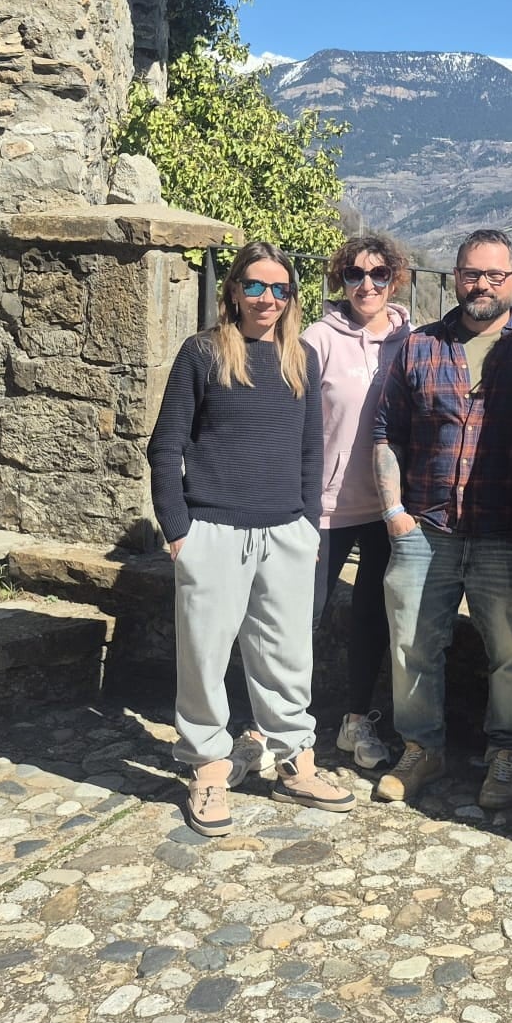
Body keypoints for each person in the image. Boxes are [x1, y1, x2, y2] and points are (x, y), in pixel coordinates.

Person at [147, 241, 356, 837]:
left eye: (280, 289)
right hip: (212, 529)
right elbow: (166, 447)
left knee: (288, 654)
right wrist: (178, 531)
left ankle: (296, 761)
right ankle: (208, 768)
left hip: (286, 529)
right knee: (205, 658)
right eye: (256, 286)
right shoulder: (203, 354)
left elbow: (311, 449)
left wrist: (308, 526)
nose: (268, 298)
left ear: (292, 298)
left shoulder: (300, 359)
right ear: (234, 290)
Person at [371, 230, 512, 811]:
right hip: (426, 528)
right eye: (472, 274)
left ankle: (506, 754)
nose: (482, 285)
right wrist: (394, 511)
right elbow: (385, 434)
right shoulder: (418, 346)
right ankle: (422, 748)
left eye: (495, 275)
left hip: (509, 530)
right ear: (454, 278)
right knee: (412, 645)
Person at [300, 232, 412, 775]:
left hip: (388, 507)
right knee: (303, 616)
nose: (366, 285)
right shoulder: (317, 339)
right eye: (354, 274)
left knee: (373, 618)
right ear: (339, 279)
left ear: (395, 279)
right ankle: (282, 722)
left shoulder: (411, 339)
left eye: (378, 274)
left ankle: (355, 720)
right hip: (323, 507)